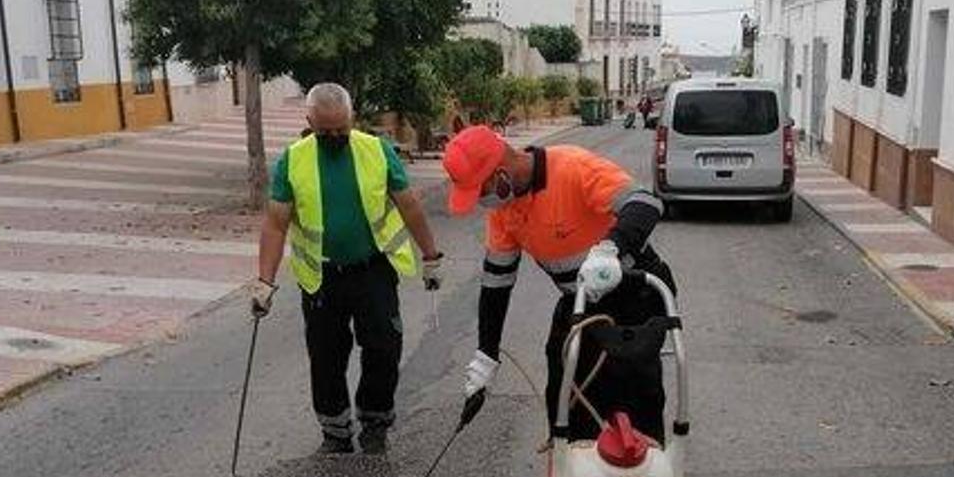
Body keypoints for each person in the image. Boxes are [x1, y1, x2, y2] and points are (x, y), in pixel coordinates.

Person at [443, 125, 676, 444]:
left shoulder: (571, 167)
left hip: (635, 292)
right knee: (564, 380)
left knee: (630, 387)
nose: (482, 202)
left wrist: (610, 249)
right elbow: (497, 284)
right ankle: (573, 462)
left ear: (500, 175)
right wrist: (486, 354)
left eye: (480, 192)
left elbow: (646, 204)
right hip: (580, 298)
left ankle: (641, 471)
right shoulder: (504, 211)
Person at [250, 84, 444, 455]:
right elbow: (275, 224)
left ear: (351, 118)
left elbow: (409, 207)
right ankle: (336, 432)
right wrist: (264, 281)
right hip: (321, 278)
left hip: (373, 271)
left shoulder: (377, 151)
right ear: (310, 122)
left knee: (384, 348)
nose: (335, 137)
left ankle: (375, 422)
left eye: (341, 129)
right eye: (326, 132)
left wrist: (431, 256)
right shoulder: (293, 161)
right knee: (325, 357)